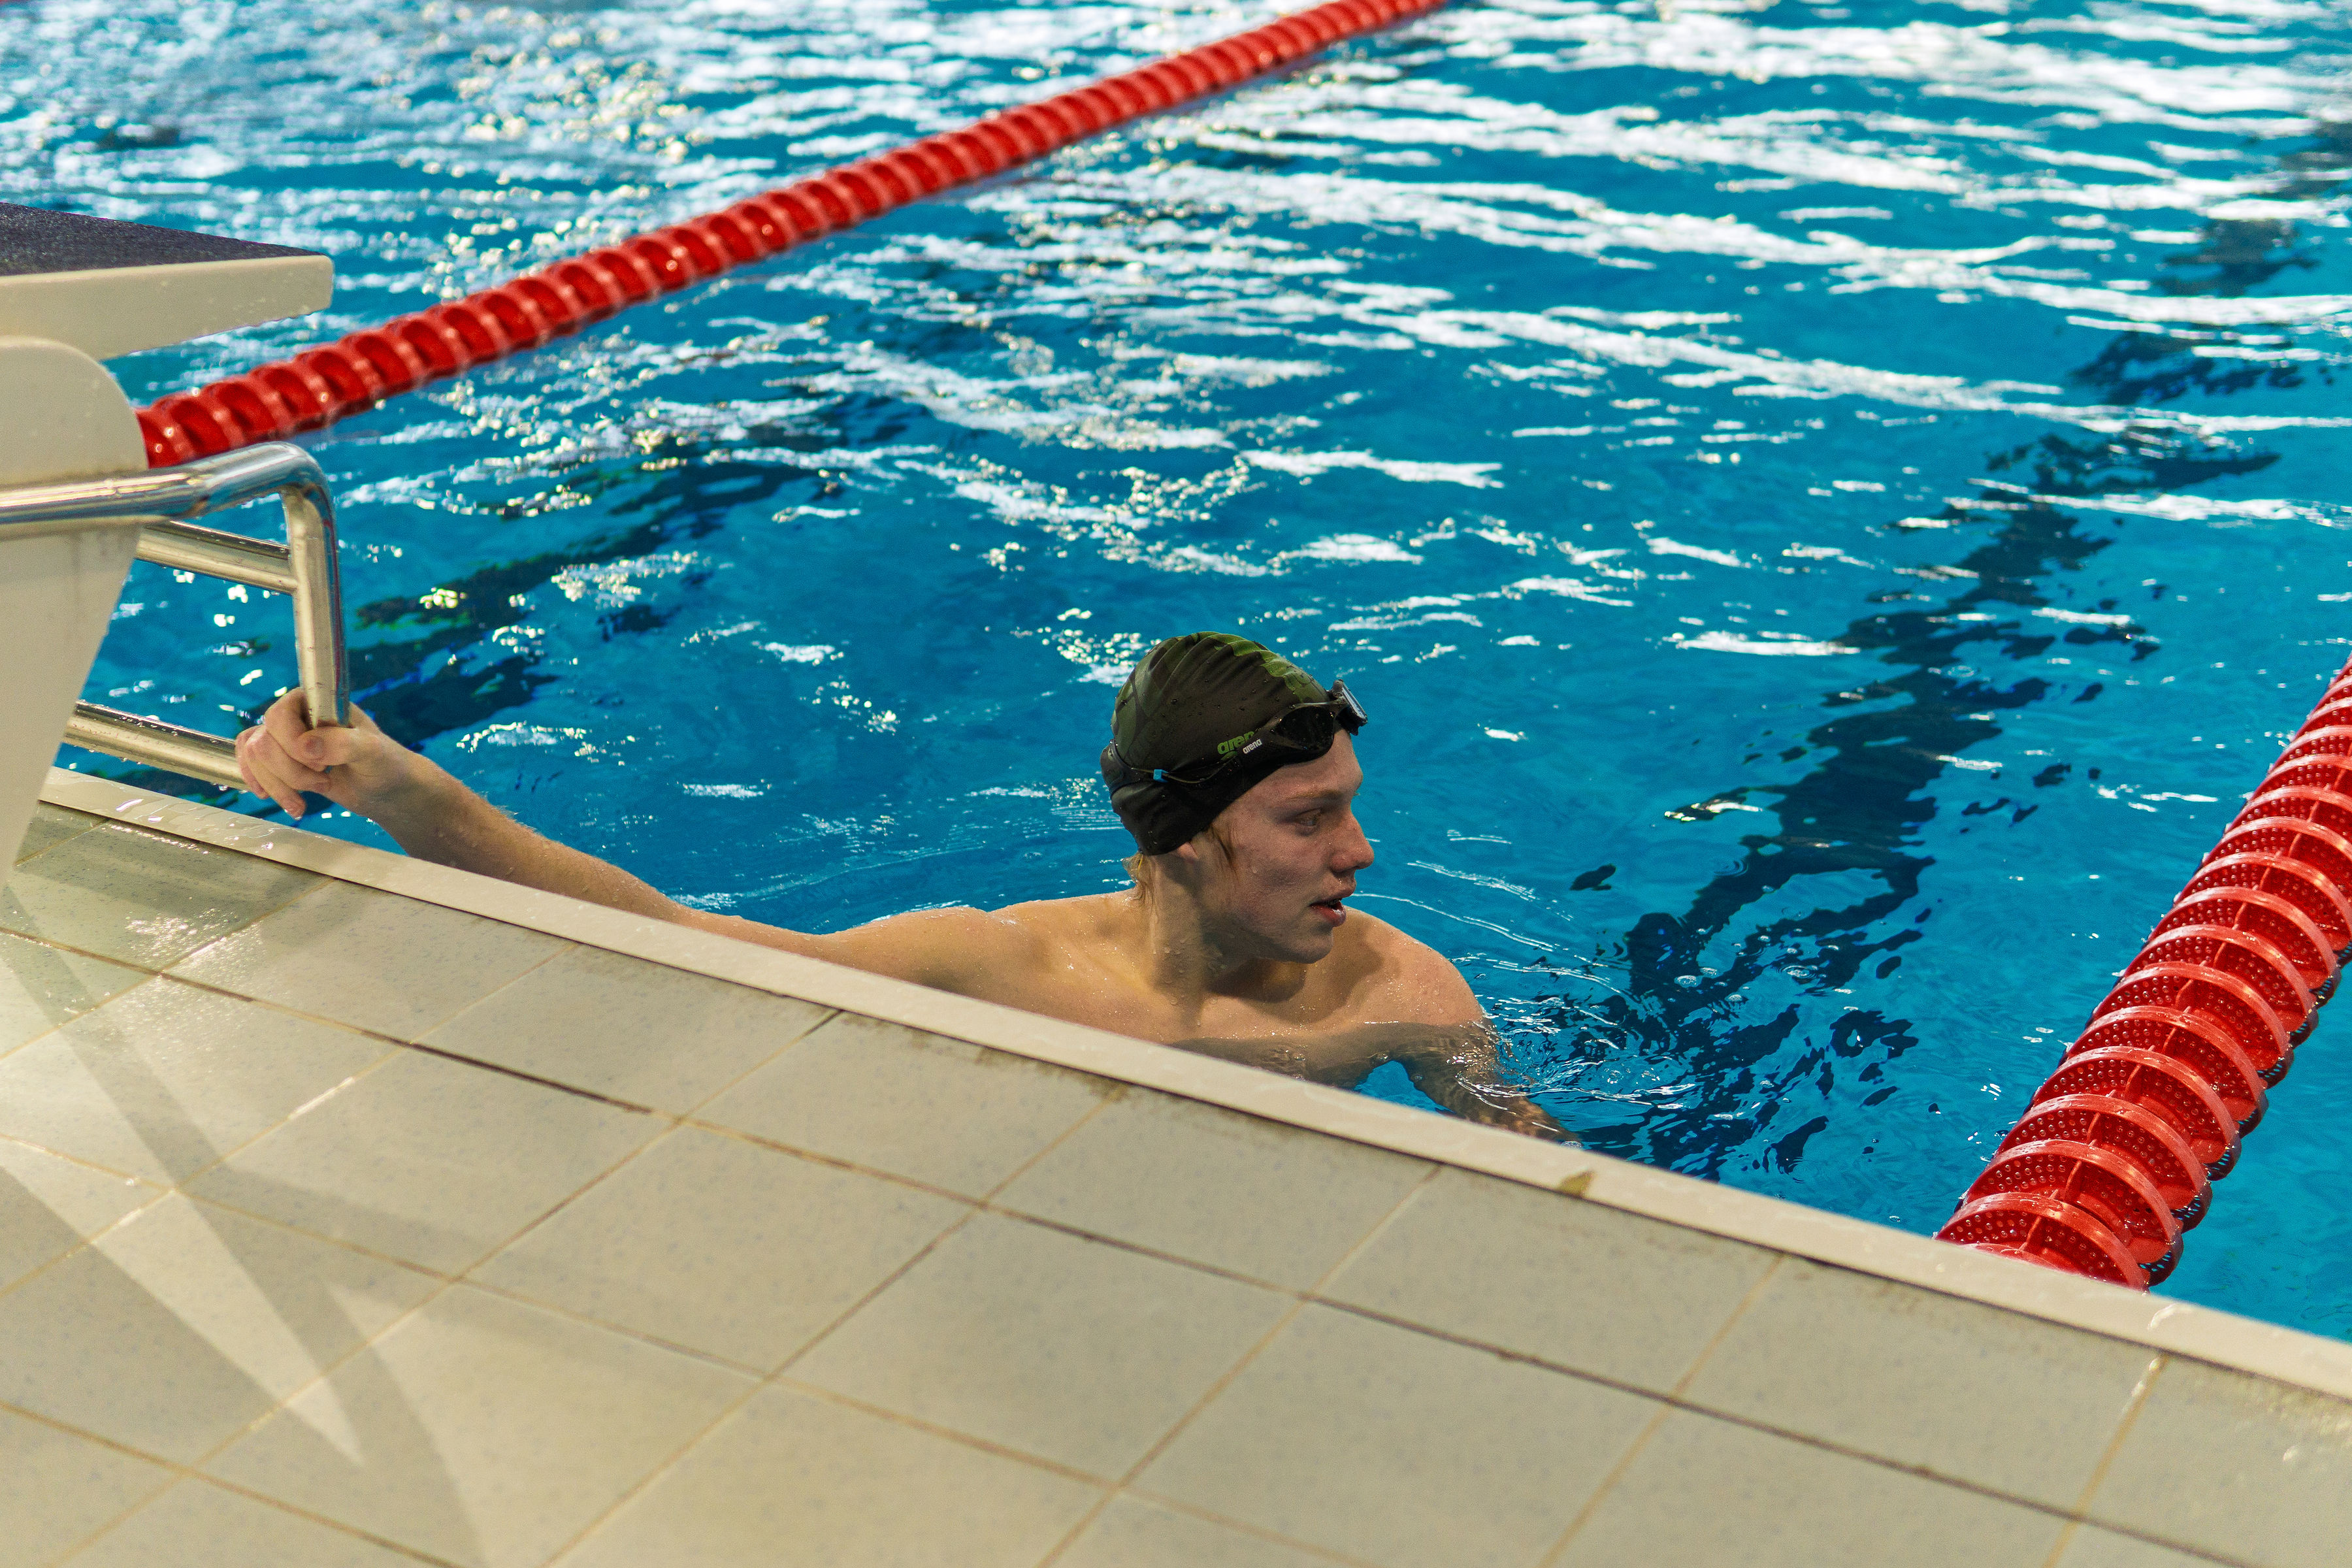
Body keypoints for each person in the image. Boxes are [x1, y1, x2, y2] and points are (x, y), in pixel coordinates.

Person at [236, 630, 1563, 1137]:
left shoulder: (1398, 996)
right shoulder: (991, 970)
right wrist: (401, 789)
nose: (1360, 853)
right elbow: (671, 941)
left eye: (1351, 809)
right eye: (1309, 817)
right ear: (1178, 837)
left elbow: (1548, 1187)